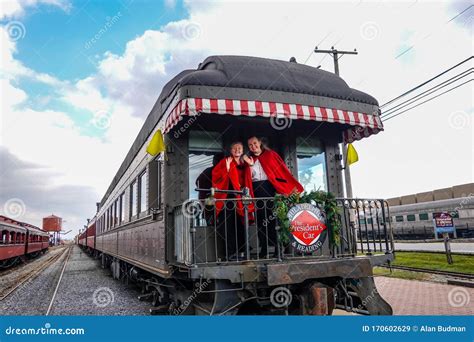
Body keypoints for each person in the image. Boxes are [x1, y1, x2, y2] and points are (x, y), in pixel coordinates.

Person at [244, 136, 304, 258]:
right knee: (260, 222)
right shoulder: (249, 159)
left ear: (260, 143)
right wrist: (250, 165)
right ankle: (264, 250)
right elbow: (248, 178)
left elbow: (282, 172)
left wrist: (285, 189)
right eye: (250, 145)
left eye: (255, 143)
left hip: (271, 191)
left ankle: (278, 249)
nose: (253, 146)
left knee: (274, 221)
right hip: (257, 191)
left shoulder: (271, 155)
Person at [212, 142, 254, 260]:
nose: (237, 150)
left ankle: (242, 251)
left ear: (242, 150)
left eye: (239, 148)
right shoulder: (225, 161)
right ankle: (229, 253)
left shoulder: (244, 163)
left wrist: (250, 165)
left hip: (240, 199)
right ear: (231, 150)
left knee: (241, 224)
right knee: (228, 226)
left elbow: (250, 179)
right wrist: (228, 168)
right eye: (234, 148)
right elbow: (215, 176)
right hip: (227, 198)